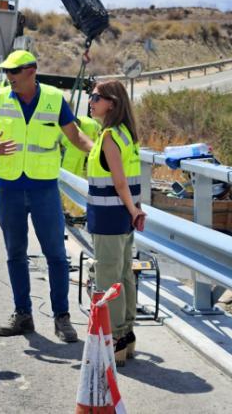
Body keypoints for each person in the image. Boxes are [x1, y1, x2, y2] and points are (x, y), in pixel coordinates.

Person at [0, 50, 93, 343]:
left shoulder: (53, 99)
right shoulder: (0, 99)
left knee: (56, 256)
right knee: (15, 254)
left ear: (31, 72)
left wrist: (104, 155)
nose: (8, 77)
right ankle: (23, 313)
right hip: (9, 188)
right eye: (6, 72)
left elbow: (76, 137)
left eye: (13, 72)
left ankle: (61, 318)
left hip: (44, 190)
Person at [86, 80, 146, 366]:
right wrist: (134, 211)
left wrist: (133, 210)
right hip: (124, 215)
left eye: (96, 97)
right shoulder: (126, 135)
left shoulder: (110, 136)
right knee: (124, 275)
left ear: (111, 103)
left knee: (109, 279)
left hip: (110, 216)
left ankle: (116, 338)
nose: (91, 100)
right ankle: (127, 334)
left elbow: (120, 182)